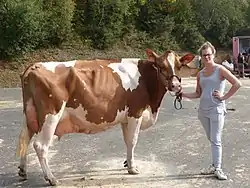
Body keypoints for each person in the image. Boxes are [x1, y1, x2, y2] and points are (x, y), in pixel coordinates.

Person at [181, 42, 242, 180]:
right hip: (203, 111)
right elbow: (198, 93)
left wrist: (224, 97)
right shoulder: (200, 74)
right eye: (204, 55)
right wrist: (182, 94)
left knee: (215, 140)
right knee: (212, 139)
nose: (207, 57)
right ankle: (214, 165)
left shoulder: (220, 70)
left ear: (213, 55)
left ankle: (218, 168)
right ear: (201, 57)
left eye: (209, 54)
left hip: (217, 110)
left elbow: (237, 83)